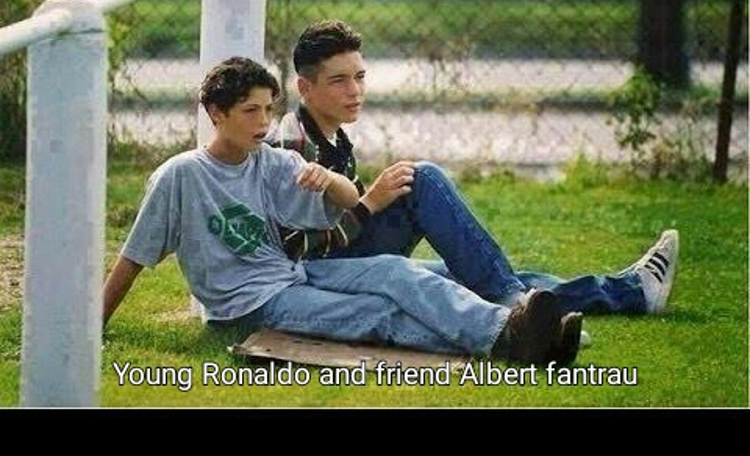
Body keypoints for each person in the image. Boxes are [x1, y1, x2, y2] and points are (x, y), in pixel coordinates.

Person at [102, 56, 583, 366]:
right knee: (378, 313)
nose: (264, 122)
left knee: (397, 271)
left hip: (293, 275)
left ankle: (515, 329)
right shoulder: (180, 176)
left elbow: (352, 202)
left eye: (268, 109)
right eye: (250, 111)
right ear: (215, 113)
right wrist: (93, 328)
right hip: (246, 308)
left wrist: (327, 178)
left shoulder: (270, 160)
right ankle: (510, 341)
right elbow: (134, 257)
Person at [266, 19, 679, 320]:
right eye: (339, 81)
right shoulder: (293, 146)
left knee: (474, 273)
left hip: (347, 254)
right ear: (305, 88)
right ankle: (513, 303)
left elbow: (338, 213)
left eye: (359, 76)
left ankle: (631, 292)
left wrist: (369, 203)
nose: (355, 90)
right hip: (322, 273)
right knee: (424, 179)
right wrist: (370, 204)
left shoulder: (330, 136)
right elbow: (296, 250)